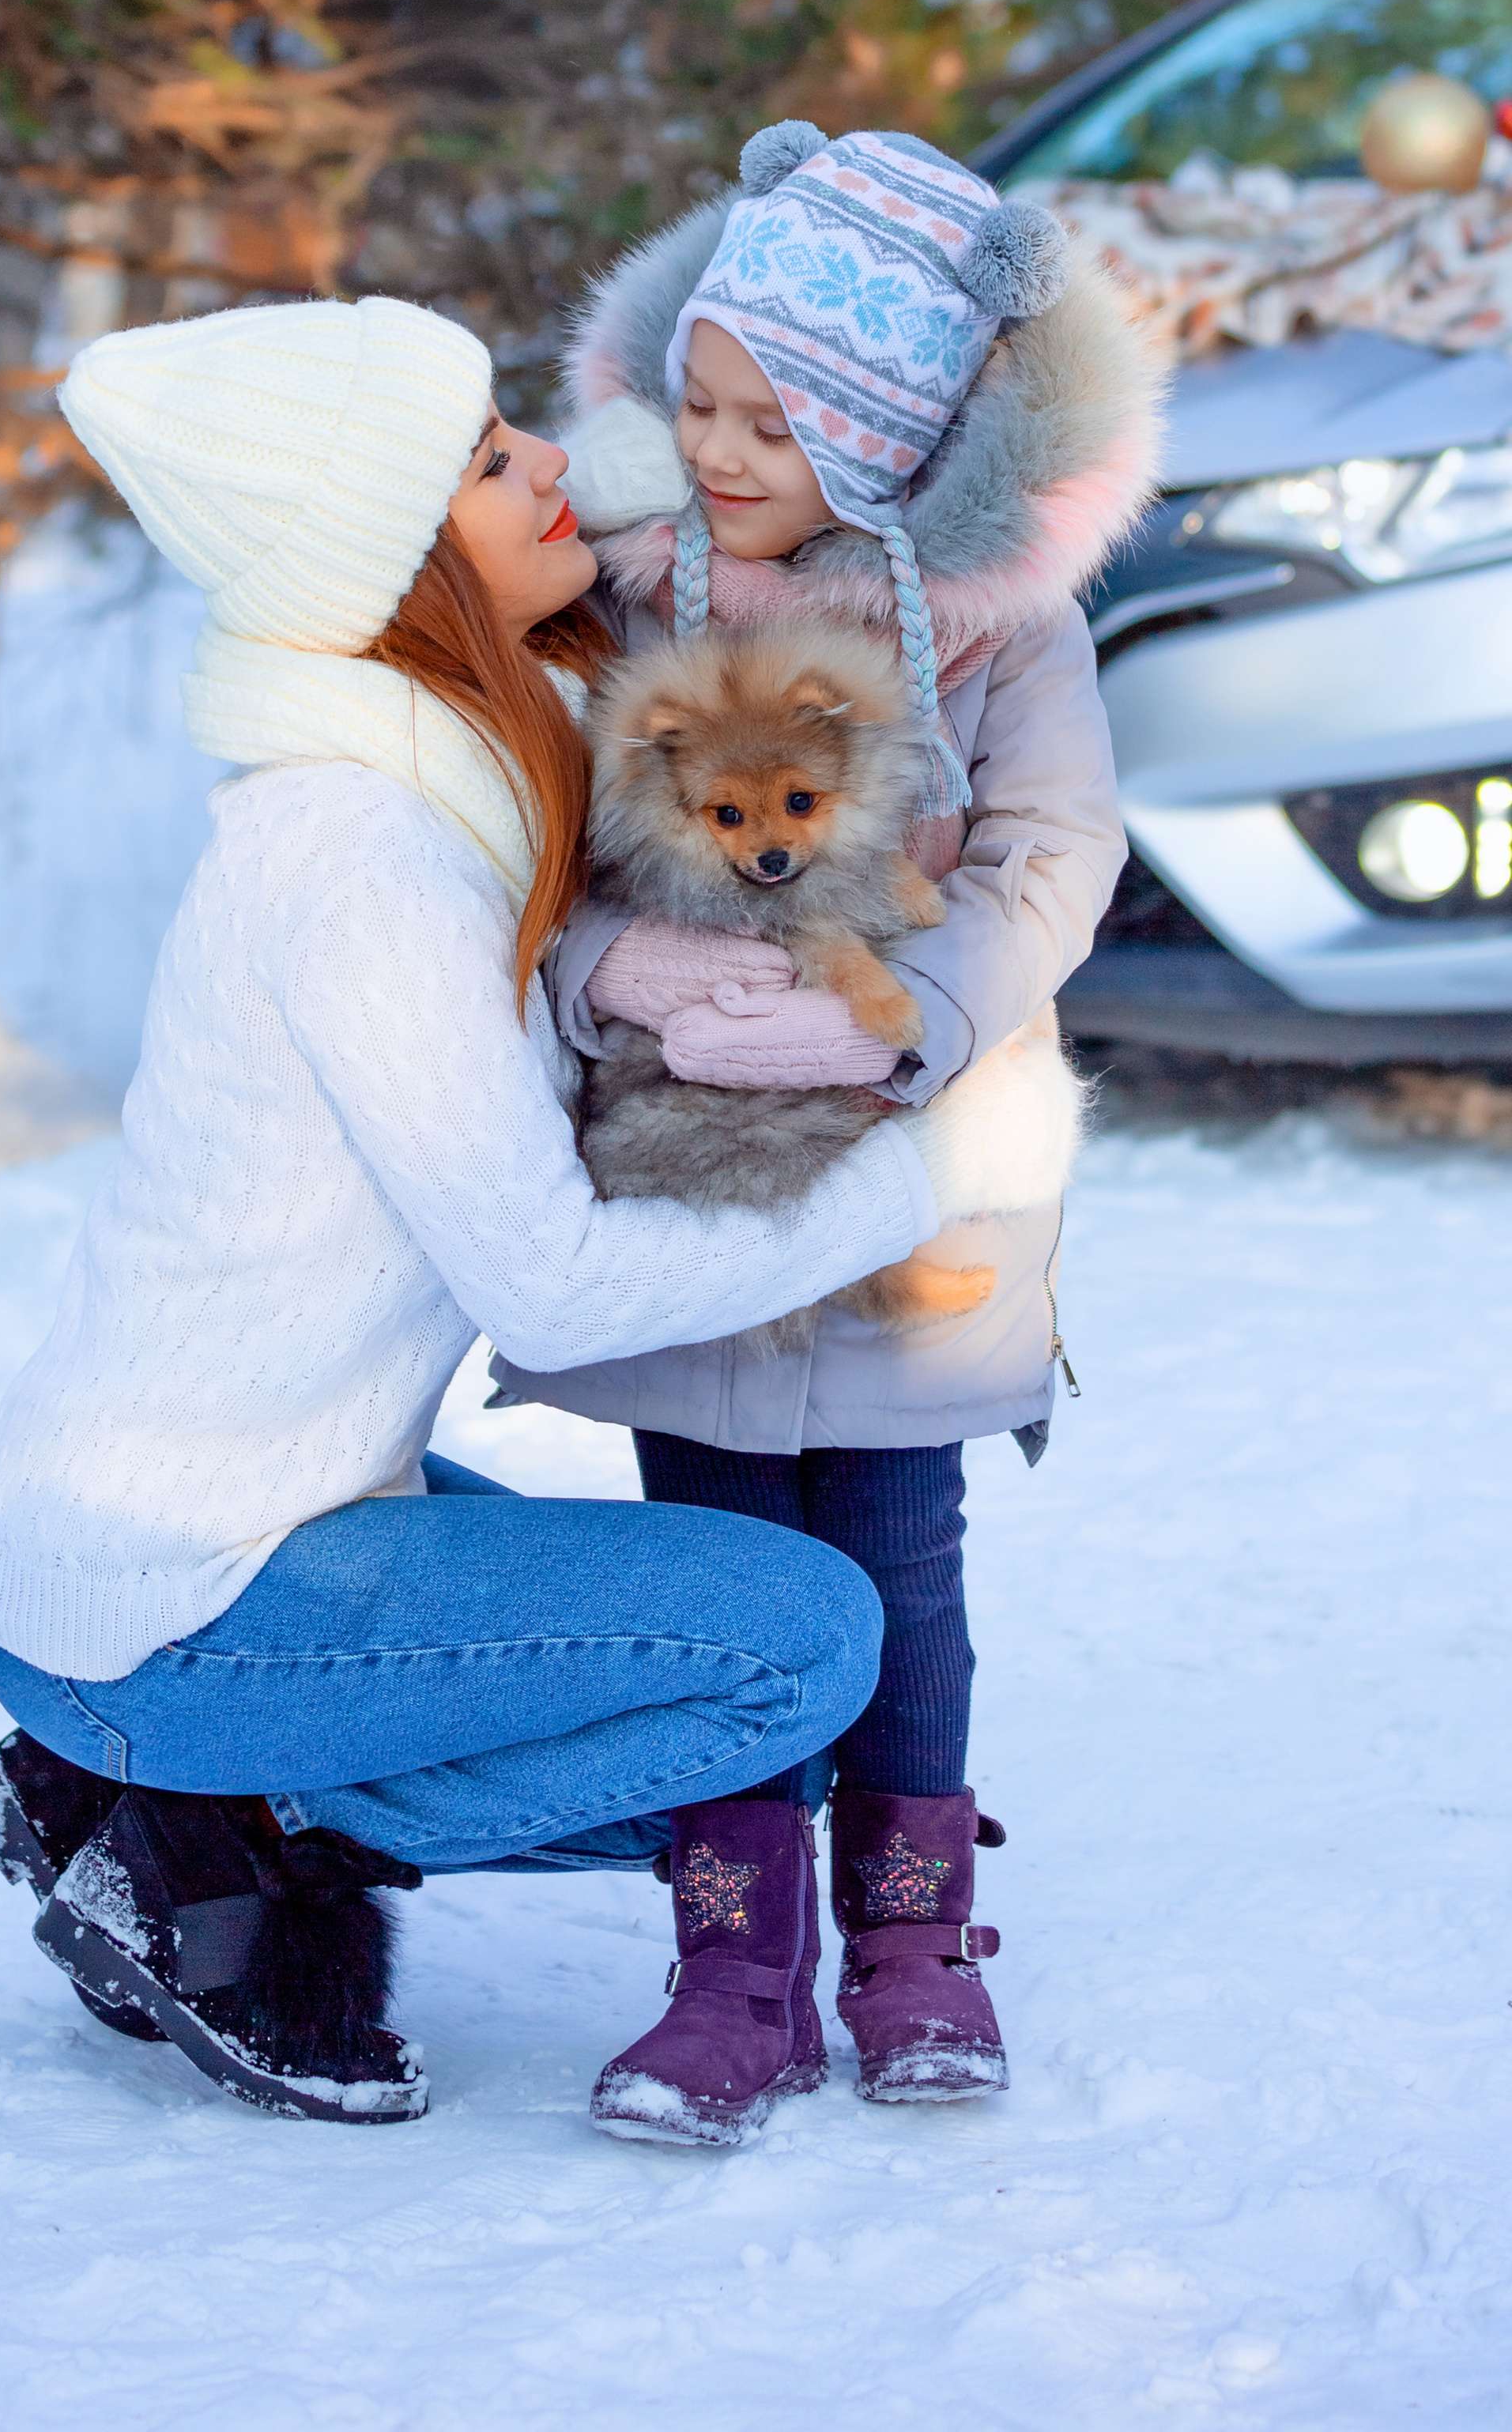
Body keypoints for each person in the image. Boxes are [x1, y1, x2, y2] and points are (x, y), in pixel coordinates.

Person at [0, 293, 1020, 2146]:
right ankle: (195, 1820)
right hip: (171, 1600)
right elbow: (552, 1274)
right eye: (481, 461)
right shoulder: (360, 853)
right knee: (800, 1647)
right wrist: (905, 1188)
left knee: (787, 1726)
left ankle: (164, 1788)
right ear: (382, 548)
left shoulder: (433, 783)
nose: (549, 467)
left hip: (232, 1532)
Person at [493, 123, 1163, 2101]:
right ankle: (733, 1968)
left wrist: (918, 1023)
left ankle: (908, 1938)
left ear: (891, 445)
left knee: (897, 1557)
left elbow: (1056, 847)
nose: (710, 455)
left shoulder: (999, 635)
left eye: (767, 431)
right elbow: (529, 848)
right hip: (689, 1180)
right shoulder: (617, 609)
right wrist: (593, 976)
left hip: (914, 1181)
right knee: (710, 1576)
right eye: (692, 404)